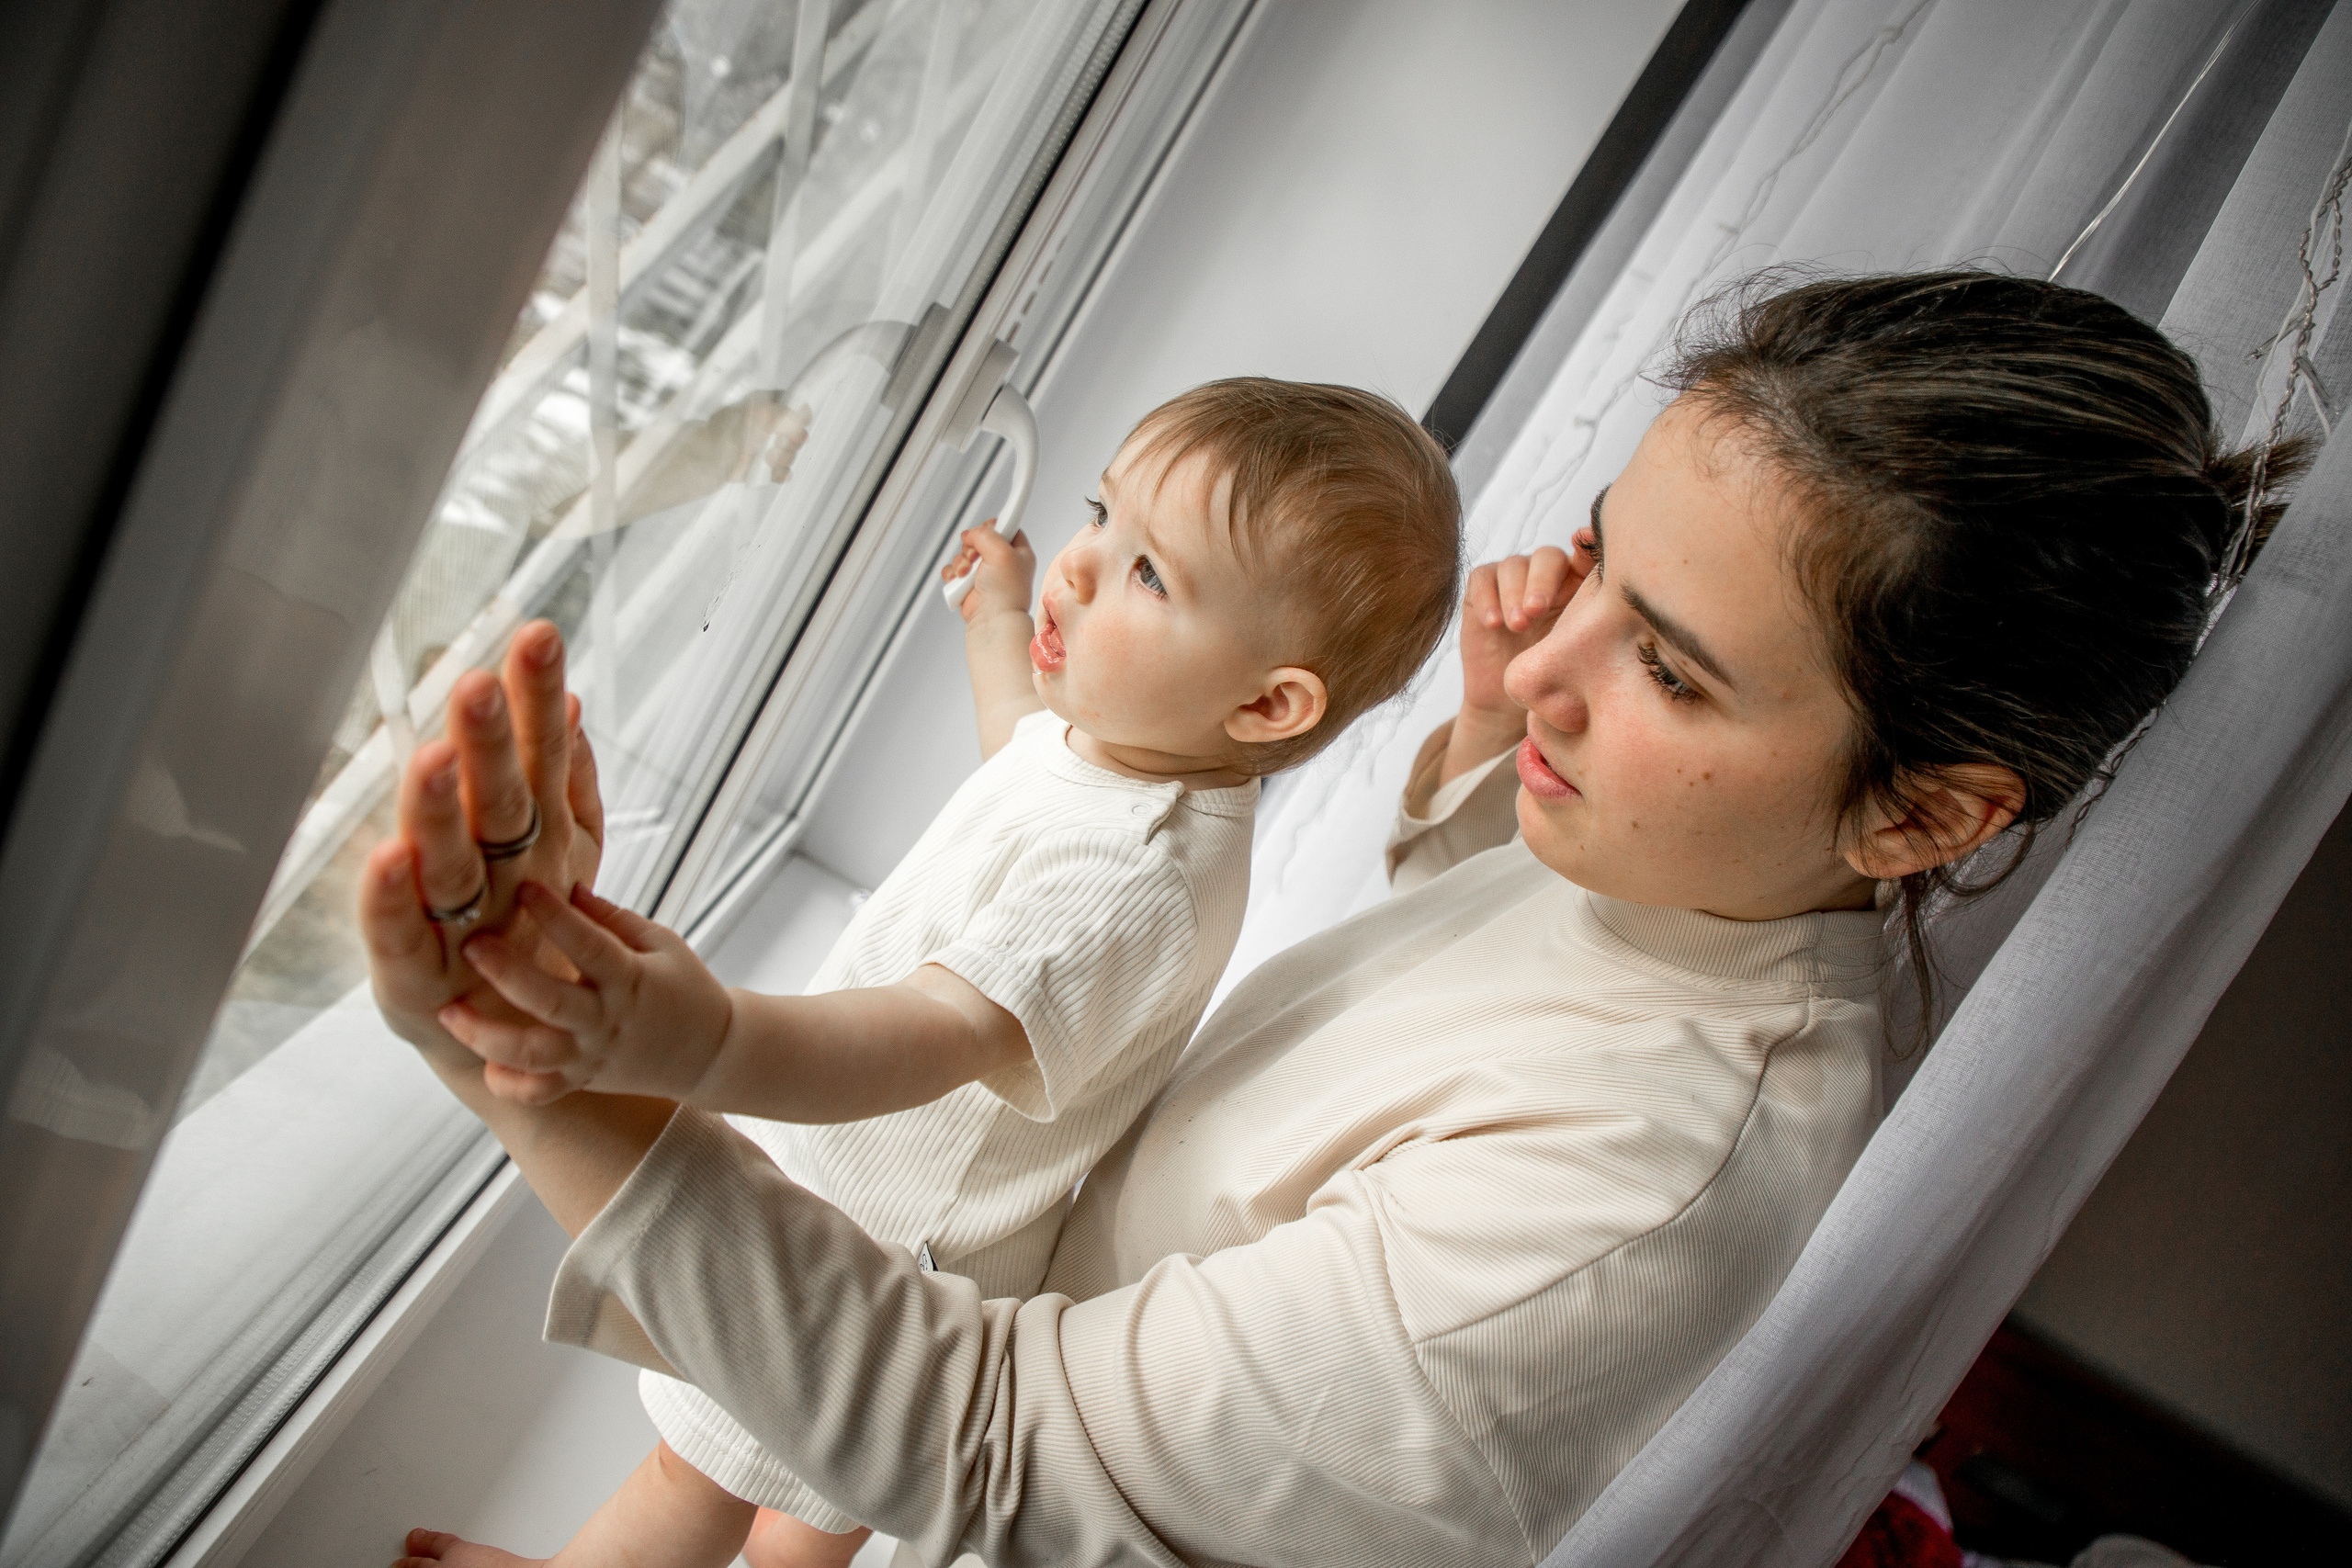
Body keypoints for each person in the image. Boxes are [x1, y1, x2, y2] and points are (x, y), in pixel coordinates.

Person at [368, 273, 2305, 1568]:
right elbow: (1435, 985)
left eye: (1674, 671)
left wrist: (548, 1061)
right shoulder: (1676, 876)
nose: (1546, 661)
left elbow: (991, 1440)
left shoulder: (1629, 1181)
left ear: (1925, 811)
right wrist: (1474, 751)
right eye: (1596, 576)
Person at [391, 378, 1461, 1568]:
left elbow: (917, 1033)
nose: (1079, 566)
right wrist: (1002, 627)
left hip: (890, 1240)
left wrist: (698, 1042)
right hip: (902, 1228)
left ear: (1267, 703)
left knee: (708, 1475)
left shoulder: (1134, 877)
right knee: (799, 1514)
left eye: (1148, 574)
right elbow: (1026, 760)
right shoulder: (1130, 753)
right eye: (1099, 512)